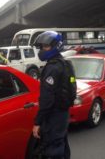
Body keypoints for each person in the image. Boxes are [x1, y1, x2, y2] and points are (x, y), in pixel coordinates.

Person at [32, 31, 77, 159]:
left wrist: (37, 122)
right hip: (64, 113)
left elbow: (47, 100)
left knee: (53, 151)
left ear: (56, 46)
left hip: (54, 116)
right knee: (62, 144)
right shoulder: (66, 64)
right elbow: (72, 83)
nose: (42, 50)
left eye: (46, 47)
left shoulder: (52, 68)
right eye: (41, 47)